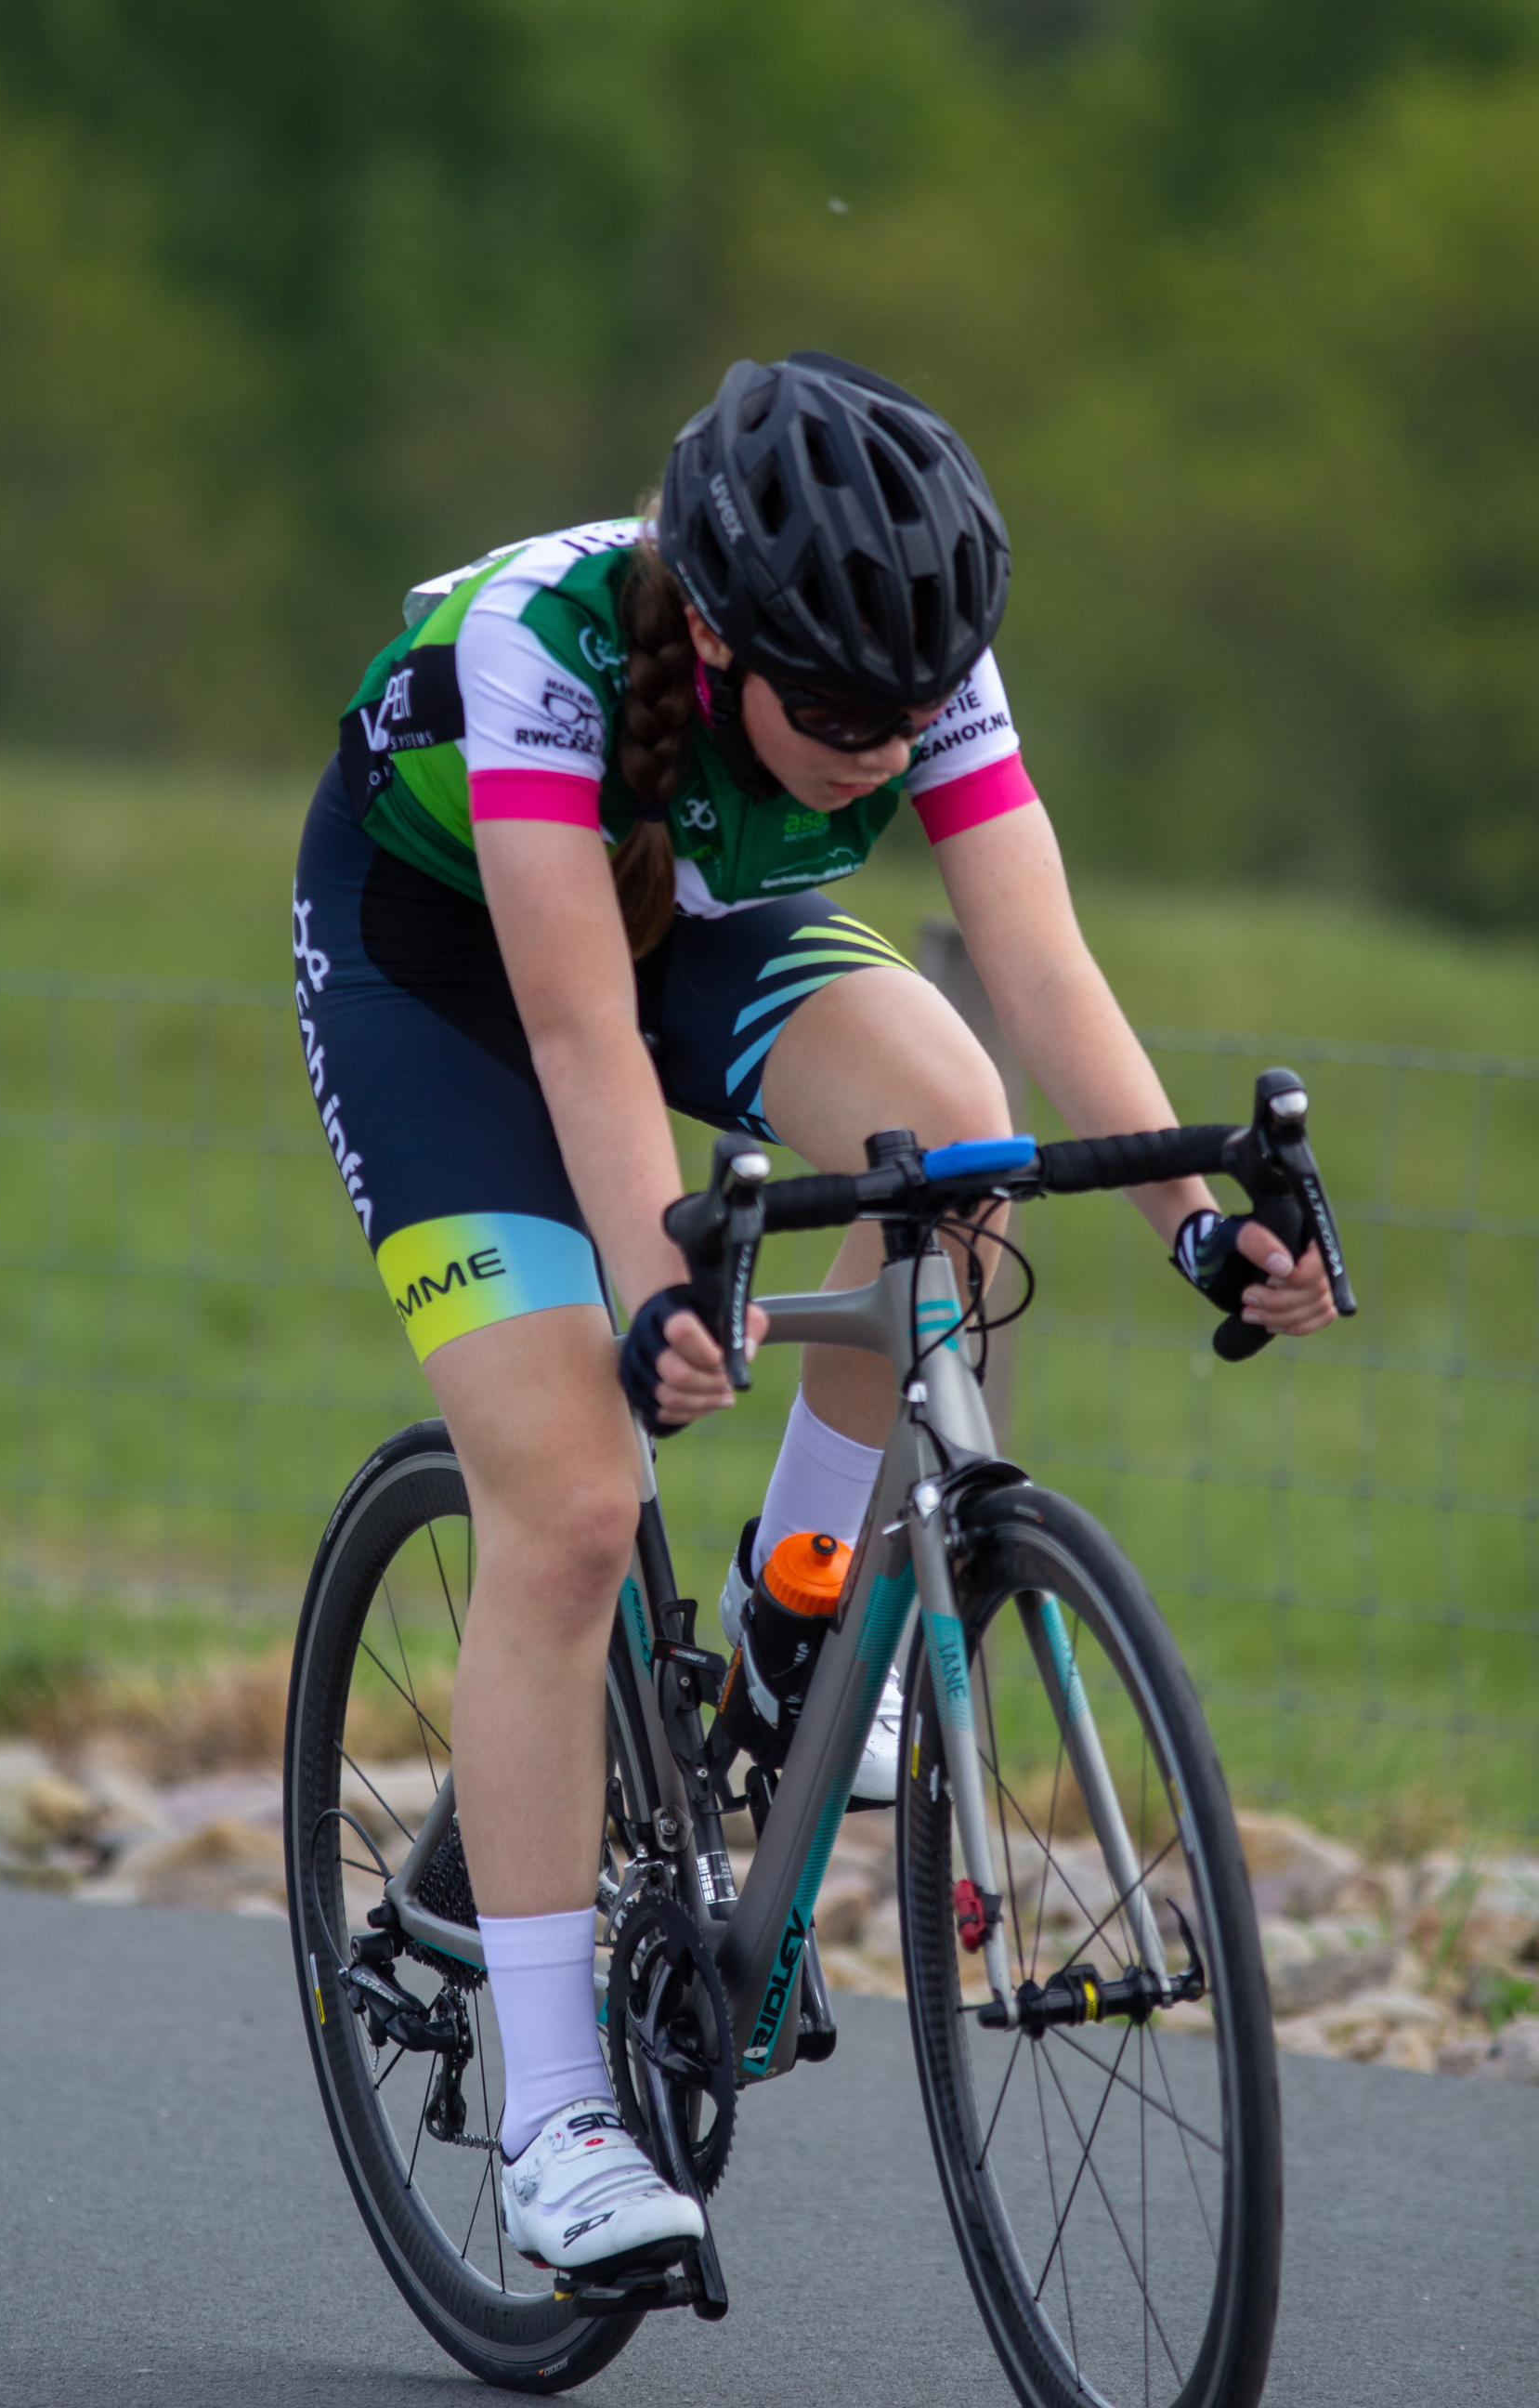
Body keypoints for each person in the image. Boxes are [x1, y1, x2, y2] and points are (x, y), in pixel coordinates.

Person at [293, 351, 1335, 2278]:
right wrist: (652, 1286)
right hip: (442, 967)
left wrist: (1201, 1227)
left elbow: (1036, 959)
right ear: (726, 649)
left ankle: (795, 1602)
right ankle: (556, 2112)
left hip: (684, 922)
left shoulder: (915, 662)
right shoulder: (547, 653)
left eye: (911, 710)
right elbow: (576, 1027)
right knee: (579, 1499)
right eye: (843, 712)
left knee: (955, 1136)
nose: (883, 742)